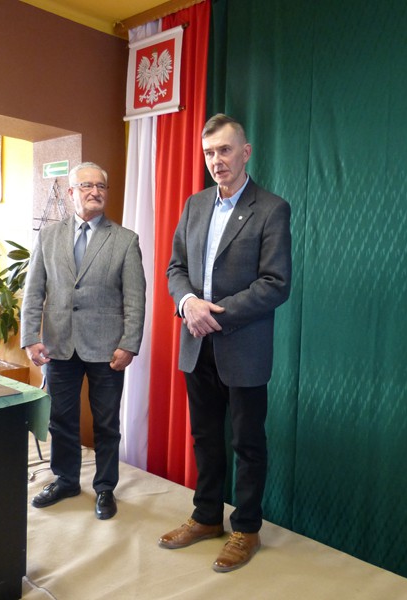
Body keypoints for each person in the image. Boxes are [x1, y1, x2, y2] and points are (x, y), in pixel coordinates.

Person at [159, 114, 292, 572]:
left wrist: (213, 315)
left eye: (225, 150)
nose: (217, 160)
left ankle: (247, 529)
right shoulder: (195, 205)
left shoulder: (271, 209)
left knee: (248, 443)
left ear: (246, 152)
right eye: (209, 152)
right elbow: (175, 268)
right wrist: (187, 303)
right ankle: (206, 517)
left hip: (242, 347)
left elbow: (275, 283)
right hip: (196, 344)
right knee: (205, 438)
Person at [21, 161, 146, 520]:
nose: (95, 192)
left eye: (101, 186)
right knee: (61, 419)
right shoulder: (48, 237)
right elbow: (34, 291)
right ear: (71, 192)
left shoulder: (125, 240)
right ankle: (66, 480)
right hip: (58, 344)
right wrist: (30, 337)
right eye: (87, 186)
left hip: (108, 348)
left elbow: (135, 298)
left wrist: (130, 343)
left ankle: (105, 487)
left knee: (106, 423)